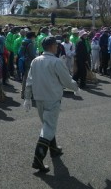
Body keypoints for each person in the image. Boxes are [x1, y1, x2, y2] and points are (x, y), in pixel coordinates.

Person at [23, 37, 79, 173]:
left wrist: (27, 98)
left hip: (39, 98)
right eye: (56, 45)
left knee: (47, 124)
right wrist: (75, 87)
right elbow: (66, 80)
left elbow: (29, 80)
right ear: (52, 46)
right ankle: (38, 158)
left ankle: (53, 149)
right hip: (52, 98)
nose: (57, 47)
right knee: (48, 126)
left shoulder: (35, 60)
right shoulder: (56, 62)